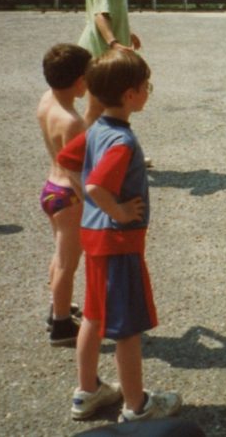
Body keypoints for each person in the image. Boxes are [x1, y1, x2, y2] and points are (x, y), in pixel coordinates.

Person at [57, 50, 181, 423]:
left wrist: (96, 205)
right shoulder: (122, 141)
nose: (148, 92)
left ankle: (88, 392)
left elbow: (66, 159)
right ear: (130, 94)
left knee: (94, 316)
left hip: (95, 238)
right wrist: (119, 210)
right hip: (118, 243)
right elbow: (96, 185)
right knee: (127, 329)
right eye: (146, 87)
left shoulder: (96, 128)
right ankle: (138, 406)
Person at [37, 43, 92, 346]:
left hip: (50, 189)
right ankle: (60, 325)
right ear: (80, 81)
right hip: (69, 196)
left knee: (60, 256)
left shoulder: (47, 101)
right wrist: (95, 203)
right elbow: (78, 172)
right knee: (68, 264)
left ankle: (57, 305)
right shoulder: (73, 122)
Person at [79, 0, 141, 125]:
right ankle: (83, 153)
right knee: (96, 107)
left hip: (106, 47)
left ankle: (97, 150)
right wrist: (114, 43)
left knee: (106, 107)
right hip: (101, 49)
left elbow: (112, 9)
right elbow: (100, 13)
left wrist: (127, 32)